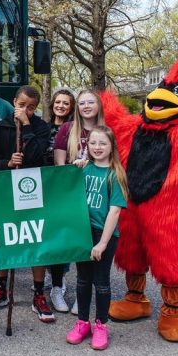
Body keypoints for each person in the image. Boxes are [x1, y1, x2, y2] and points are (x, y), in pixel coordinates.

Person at [0, 85, 54, 323]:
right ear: (14, 102)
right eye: (21, 105)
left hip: (32, 191)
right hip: (6, 191)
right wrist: (8, 163)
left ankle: (39, 292)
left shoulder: (41, 127)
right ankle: (1, 288)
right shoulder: (1, 126)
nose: (26, 110)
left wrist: (28, 126)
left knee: (35, 238)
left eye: (31, 107)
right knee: (5, 237)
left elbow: (39, 154)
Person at [66, 125, 128, 351]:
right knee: (82, 280)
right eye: (93, 143)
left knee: (101, 282)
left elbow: (115, 210)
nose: (97, 147)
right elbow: (67, 192)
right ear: (87, 146)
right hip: (84, 232)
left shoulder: (115, 174)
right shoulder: (84, 170)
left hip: (105, 235)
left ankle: (101, 325)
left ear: (112, 146)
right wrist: (75, 167)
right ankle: (83, 322)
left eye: (103, 143)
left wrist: (102, 243)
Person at [52, 88, 106, 315]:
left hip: (95, 195)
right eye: (82, 102)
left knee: (88, 244)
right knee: (63, 242)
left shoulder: (106, 131)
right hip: (70, 194)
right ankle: (56, 287)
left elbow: (111, 163)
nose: (86, 106)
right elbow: (59, 166)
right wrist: (75, 167)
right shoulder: (67, 129)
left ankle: (83, 294)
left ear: (98, 106)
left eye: (90, 102)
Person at [42, 88, 75, 308]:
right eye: (58, 102)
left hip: (65, 186)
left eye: (66, 103)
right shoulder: (43, 128)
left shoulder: (74, 129)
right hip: (45, 185)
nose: (61, 106)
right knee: (47, 232)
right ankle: (50, 274)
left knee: (64, 233)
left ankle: (59, 280)